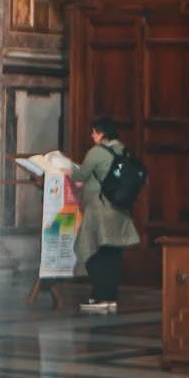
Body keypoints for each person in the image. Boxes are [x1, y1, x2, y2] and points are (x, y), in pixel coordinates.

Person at [73, 113, 141, 314]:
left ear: (101, 133)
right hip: (120, 209)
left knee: (90, 251)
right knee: (112, 253)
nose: (92, 136)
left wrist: (66, 169)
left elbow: (80, 175)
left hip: (100, 209)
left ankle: (101, 296)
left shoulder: (96, 152)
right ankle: (109, 297)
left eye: (94, 132)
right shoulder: (123, 150)